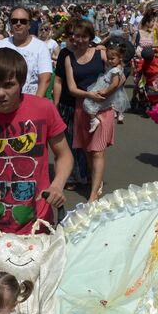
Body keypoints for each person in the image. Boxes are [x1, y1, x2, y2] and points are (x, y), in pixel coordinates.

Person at [0, 48, 72, 234]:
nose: (0, 93)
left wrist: (57, 185)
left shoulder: (44, 109)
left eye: (8, 85)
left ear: (22, 83)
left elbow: (64, 154)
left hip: (39, 223)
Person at [64, 20, 116, 202]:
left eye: (84, 36)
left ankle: (93, 194)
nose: (80, 40)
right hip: (82, 106)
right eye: (76, 36)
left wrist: (108, 91)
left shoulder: (100, 53)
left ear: (90, 37)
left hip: (103, 106)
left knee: (97, 151)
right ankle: (96, 180)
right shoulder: (69, 59)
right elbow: (71, 88)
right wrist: (89, 95)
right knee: (87, 150)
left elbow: (118, 73)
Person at [52, 19, 89, 190]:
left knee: (85, 141)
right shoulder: (65, 54)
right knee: (68, 141)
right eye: (73, 35)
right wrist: (56, 103)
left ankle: (85, 173)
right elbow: (58, 80)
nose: (77, 39)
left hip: (88, 103)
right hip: (67, 103)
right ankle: (72, 176)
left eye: (80, 35)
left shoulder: (92, 51)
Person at [0, 7, 52, 97]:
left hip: (31, 102)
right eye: (14, 21)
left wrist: (36, 104)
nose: (18, 24)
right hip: (2, 102)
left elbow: (45, 79)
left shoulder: (41, 47)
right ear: (10, 24)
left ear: (29, 25)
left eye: (23, 21)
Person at [83, 45, 129, 133]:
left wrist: (106, 91)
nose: (110, 61)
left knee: (87, 102)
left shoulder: (116, 70)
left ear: (120, 58)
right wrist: (102, 48)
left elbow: (115, 84)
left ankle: (94, 120)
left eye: (112, 58)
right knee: (89, 101)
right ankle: (94, 120)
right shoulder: (114, 67)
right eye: (108, 58)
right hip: (100, 86)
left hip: (104, 89)